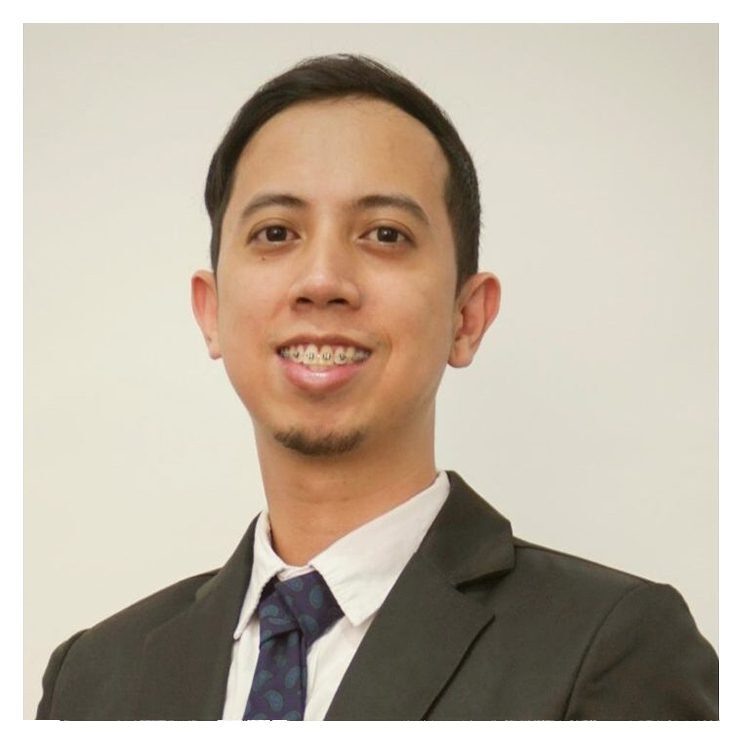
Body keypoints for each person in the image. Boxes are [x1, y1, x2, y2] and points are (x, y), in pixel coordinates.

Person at [36, 54, 718, 721]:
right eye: (276, 233)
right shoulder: (94, 678)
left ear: (467, 317)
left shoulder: (610, 646)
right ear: (210, 311)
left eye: (385, 234)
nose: (324, 279)